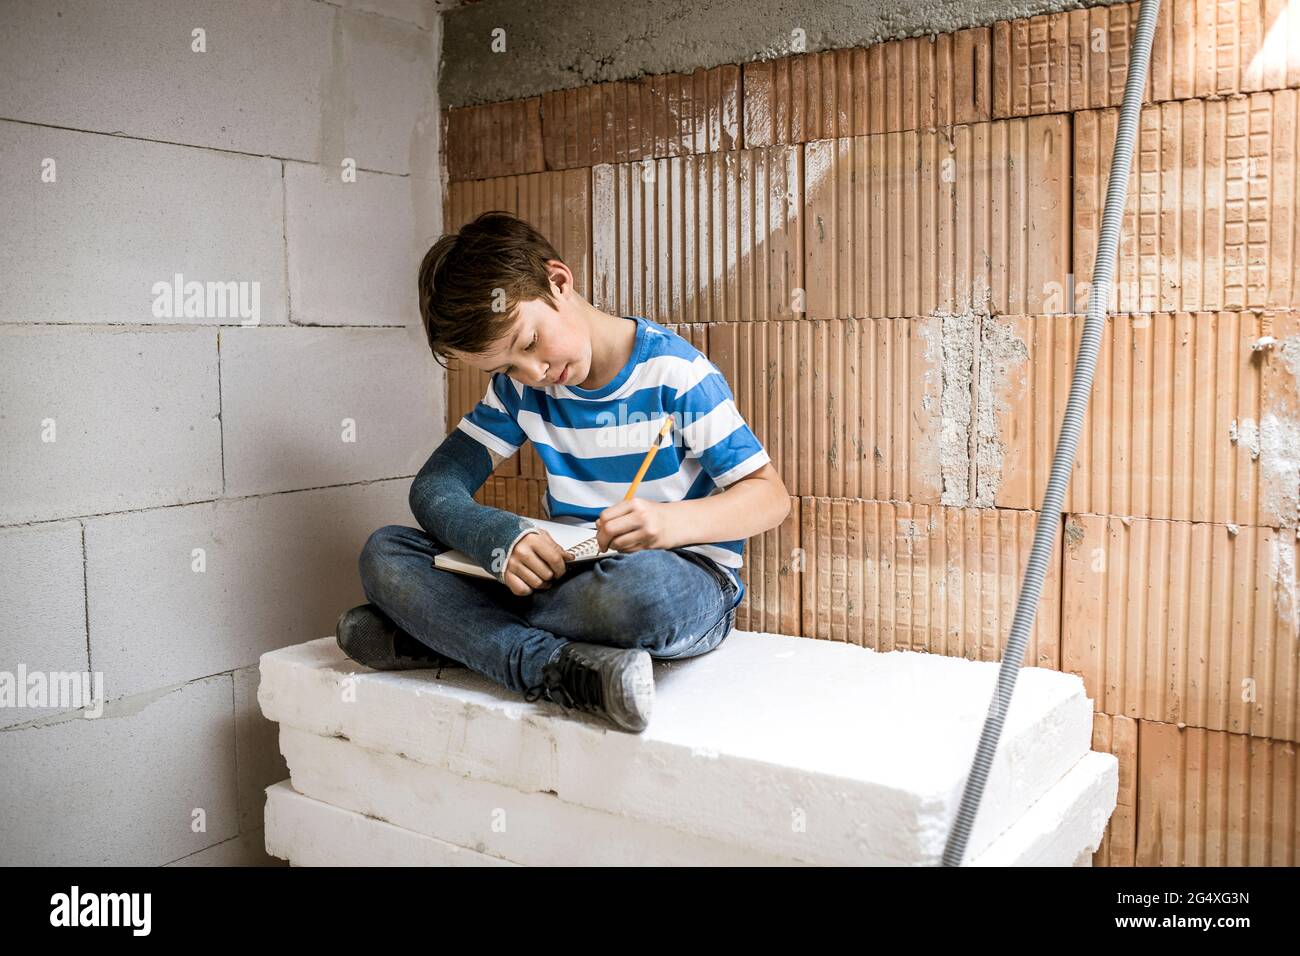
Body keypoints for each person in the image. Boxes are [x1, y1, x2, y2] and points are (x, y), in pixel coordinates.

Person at [340, 211, 791, 733]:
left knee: (636, 594)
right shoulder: (520, 392)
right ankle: (549, 666)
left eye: (529, 343)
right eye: (506, 367)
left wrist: (669, 524)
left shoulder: (674, 374)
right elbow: (436, 487)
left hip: (681, 581)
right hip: (565, 577)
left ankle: (452, 633)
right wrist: (499, 537)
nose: (532, 373)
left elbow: (769, 497)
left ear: (558, 281)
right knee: (386, 554)